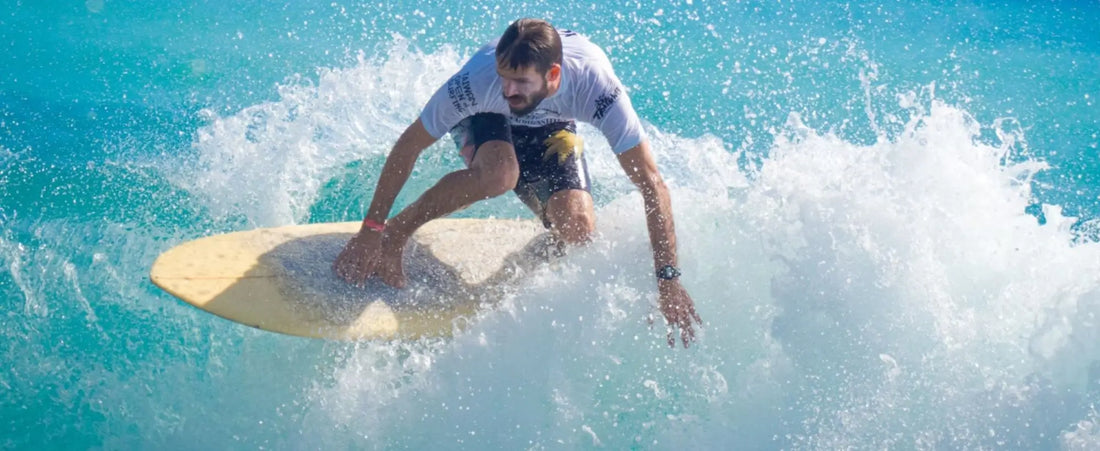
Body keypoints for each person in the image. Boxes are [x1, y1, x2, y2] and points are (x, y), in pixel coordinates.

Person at [333, 18, 702, 347]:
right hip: (486, 117)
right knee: (500, 175)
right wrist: (371, 228)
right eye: (504, 77)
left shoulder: (596, 86)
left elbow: (653, 185)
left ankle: (530, 257)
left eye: (520, 82)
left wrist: (667, 279)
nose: (508, 90)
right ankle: (397, 233)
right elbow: (409, 144)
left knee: (579, 229)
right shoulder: (480, 82)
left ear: (553, 76)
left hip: (552, 123)